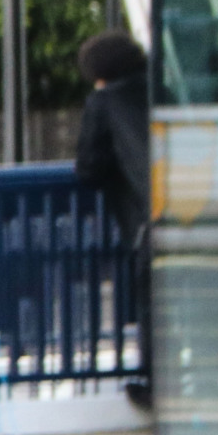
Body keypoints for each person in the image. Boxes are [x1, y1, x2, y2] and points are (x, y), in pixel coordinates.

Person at [72, 29, 153, 401]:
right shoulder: (163, 86)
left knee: (152, 302)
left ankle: (152, 381)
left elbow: (89, 167)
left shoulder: (105, 102)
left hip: (144, 222)